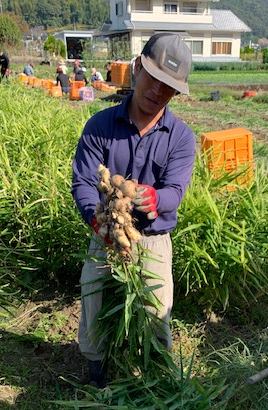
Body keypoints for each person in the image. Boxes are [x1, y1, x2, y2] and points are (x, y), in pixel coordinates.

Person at [72, 33, 196, 387]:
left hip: (153, 239)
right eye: (154, 80)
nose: (158, 92)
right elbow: (83, 183)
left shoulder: (181, 137)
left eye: (169, 88)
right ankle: (98, 372)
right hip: (106, 232)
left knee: (157, 310)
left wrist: (156, 199)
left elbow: (175, 191)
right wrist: (99, 222)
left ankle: (157, 378)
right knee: (94, 296)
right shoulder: (100, 127)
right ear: (137, 68)